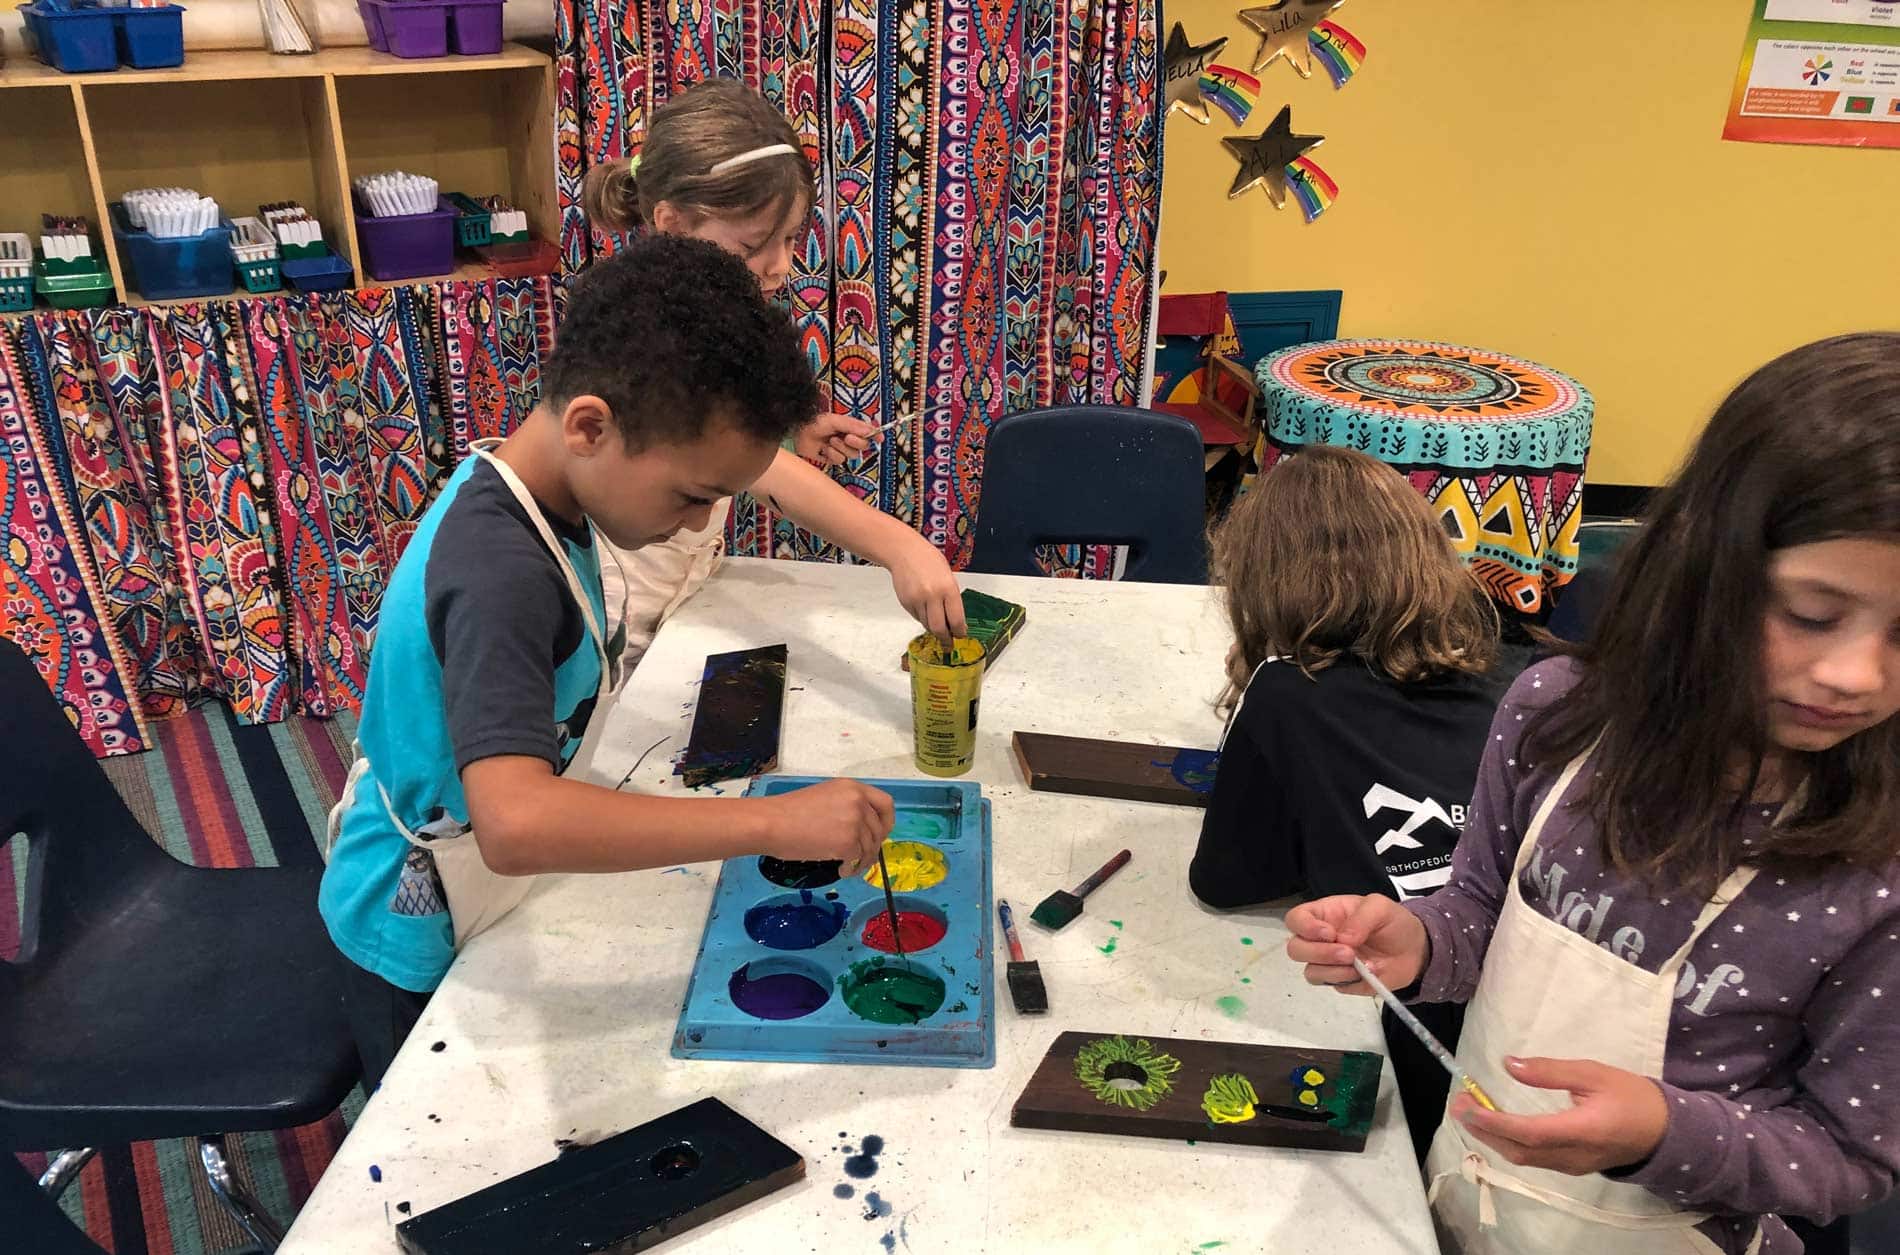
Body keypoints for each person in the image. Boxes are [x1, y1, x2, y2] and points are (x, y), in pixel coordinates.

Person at [1283, 333, 1900, 1254]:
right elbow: (1479, 909)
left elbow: (1851, 1155)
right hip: (1474, 1200)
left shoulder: (1876, 870)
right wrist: (1419, 940)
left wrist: (1662, 1134)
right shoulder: (1557, 716)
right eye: (1811, 614)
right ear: (1701, 567)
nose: (1855, 674)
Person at [319, 235, 894, 1087]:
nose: (697, 524)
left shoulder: (540, 492)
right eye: (693, 496)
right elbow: (516, 823)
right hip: (413, 936)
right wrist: (770, 824)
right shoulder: (500, 573)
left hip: (482, 886)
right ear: (590, 426)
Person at [580, 78, 966, 664]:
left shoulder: (713, 315)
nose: (780, 266)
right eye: (753, 245)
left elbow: (717, 445)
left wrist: (787, 434)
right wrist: (898, 545)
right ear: (672, 223)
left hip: (678, 610)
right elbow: (758, 470)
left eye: (789, 239)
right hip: (616, 620)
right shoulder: (637, 330)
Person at [1190, 444, 1501, 1160]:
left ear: (1263, 582)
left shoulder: (1286, 692)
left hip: (1422, 1068)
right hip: (1529, 1036)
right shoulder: (1518, 674)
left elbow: (1226, 880)